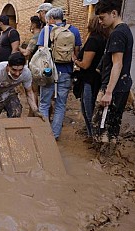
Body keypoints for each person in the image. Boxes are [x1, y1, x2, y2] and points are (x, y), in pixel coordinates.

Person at [93, 0, 134, 153]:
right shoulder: (125, 31)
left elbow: (117, 64)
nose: (100, 21)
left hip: (113, 88)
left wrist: (108, 92)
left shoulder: (117, 33)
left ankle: (102, 162)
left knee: (102, 126)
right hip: (120, 86)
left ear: (114, 14)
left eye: (102, 17)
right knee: (113, 125)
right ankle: (109, 159)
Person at [36, 7, 82, 140]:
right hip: (66, 72)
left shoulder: (45, 31)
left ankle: (44, 135)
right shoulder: (74, 30)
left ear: (50, 19)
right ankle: (55, 135)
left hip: (48, 73)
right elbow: (76, 52)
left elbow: (41, 53)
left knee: (44, 104)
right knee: (60, 105)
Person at [73, 16, 109, 140]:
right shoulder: (106, 39)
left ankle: (93, 137)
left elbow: (85, 64)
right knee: (94, 109)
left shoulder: (93, 40)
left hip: (89, 80)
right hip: (100, 80)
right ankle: (93, 136)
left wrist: (75, 60)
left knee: (88, 110)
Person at [0, 52, 44, 122]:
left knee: (16, 112)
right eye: (14, 70)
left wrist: (35, 110)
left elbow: (29, 92)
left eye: (20, 70)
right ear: (8, 66)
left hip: (10, 91)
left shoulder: (26, 73)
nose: (17, 74)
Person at [20, 16, 42, 117]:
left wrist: (18, 48)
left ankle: (32, 112)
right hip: (45, 67)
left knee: (34, 91)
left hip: (35, 67)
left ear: (33, 24)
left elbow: (26, 53)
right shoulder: (45, 33)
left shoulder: (36, 37)